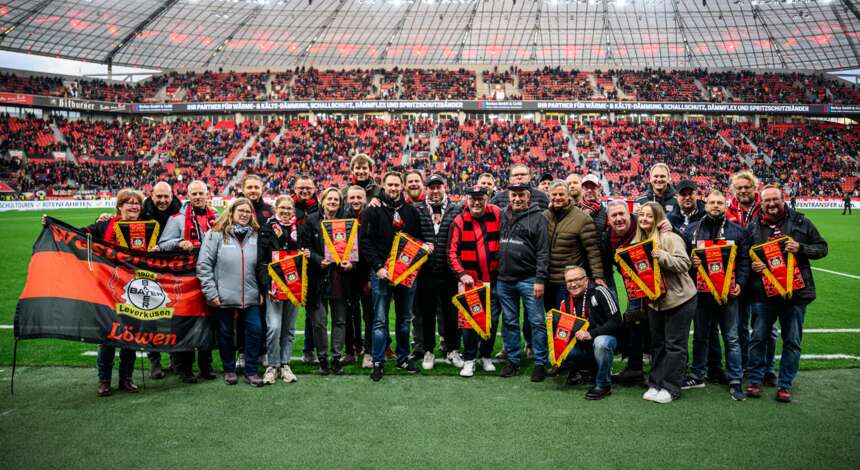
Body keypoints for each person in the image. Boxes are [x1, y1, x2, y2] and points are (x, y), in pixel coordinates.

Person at [49, 189, 148, 397]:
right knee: (107, 335)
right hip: (106, 290)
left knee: (129, 336)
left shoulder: (148, 226)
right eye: (128, 202)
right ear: (119, 206)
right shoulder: (104, 225)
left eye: (137, 203)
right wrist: (52, 225)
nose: (133, 206)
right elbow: (76, 235)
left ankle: (126, 379)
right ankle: (104, 380)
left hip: (134, 290)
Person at [746, 185, 828, 402]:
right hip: (764, 294)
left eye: (775, 199)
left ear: (784, 199)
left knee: (792, 341)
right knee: (758, 338)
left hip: (795, 295)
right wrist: (754, 266)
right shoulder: (753, 226)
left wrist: (801, 248)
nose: (771, 204)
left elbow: (822, 248)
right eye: (767, 200)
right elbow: (746, 256)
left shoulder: (801, 222)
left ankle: (785, 384)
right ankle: (755, 380)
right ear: (761, 203)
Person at [681, 190, 750, 401]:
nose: (716, 206)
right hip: (701, 295)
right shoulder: (691, 231)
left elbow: (744, 261)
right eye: (712, 202)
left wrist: (740, 283)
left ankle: (735, 379)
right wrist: (692, 264)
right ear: (706, 205)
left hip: (728, 295)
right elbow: (682, 261)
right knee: (701, 336)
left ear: (725, 206)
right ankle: (697, 374)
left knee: (731, 337)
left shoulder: (737, 232)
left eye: (720, 202)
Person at [359, 171, 424, 381]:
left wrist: (421, 253)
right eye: (390, 185)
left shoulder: (411, 212)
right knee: (380, 320)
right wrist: (378, 267)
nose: (394, 188)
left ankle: (403, 357)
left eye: (397, 185)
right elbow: (365, 242)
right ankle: (378, 361)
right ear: (383, 186)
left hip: (405, 274)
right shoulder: (373, 210)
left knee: (404, 319)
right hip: (381, 274)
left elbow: (417, 241)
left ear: (402, 186)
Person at [197, 198, 264, 387]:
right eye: (240, 210)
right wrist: (211, 293)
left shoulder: (257, 235)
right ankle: (229, 369)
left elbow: (261, 265)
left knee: (255, 330)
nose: (244, 214)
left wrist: (261, 289)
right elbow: (204, 265)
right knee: (226, 334)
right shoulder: (215, 234)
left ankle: (251, 371)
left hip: (250, 294)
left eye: (248, 211)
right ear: (231, 212)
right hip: (223, 296)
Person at [154, 180, 217, 383]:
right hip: (185, 279)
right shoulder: (177, 219)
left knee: (207, 322)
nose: (198, 197)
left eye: (201, 193)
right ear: (188, 196)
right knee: (185, 323)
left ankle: (206, 366)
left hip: (209, 277)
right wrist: (180, 242)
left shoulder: (216, 218)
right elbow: (163, 244)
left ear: (207, 195)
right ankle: (184, 368)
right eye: (194, 194)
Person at [636, 202, 697, 404]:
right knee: (658, 344)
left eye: (649, 216)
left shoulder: (670, 237)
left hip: (680, 298)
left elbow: (685, 263)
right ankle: (656, 383)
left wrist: (662, 255)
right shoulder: (639, 241)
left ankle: (671, 387)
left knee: (675, 345)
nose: (644, 219)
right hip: (655, 301)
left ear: (658, 218)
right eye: (642, 215)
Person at [726, 171, 776, 385]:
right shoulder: (728, 211)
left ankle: (768, 368)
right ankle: (746, 364)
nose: (743, 191)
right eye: (739, 188)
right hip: (738, 277)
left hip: (763, 276)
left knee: (766, 326)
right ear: (733, 190)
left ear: (755, 188)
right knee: (739, 327)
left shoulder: (765, 208)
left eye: (747, 187)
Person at [497, 183, 550, 382]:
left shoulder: (538, 217)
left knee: (537, 322)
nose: (517, 199)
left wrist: (540, 279)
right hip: (504, 279)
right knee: (509, 322)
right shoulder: (501, 215)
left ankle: (540, 363)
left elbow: (543, 251)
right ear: (509, 196)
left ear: (529, 197)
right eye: (514, 195)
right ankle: (513, 360)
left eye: (521, 195)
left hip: (529, 279)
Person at [448, 186, 502, 377]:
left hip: (494, 280)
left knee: (492, 321)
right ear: (467, 200)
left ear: (487, 198)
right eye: (473, 199)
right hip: (470, 283)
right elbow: (452, 252)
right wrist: (462, 274)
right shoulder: (459, 220)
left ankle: (486, 355)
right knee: (469, 323)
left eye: (481, 198)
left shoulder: (497, 213)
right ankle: (469, 359)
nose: (477, 202)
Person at [412, 174, 463, 370]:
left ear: (445, 188)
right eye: (431, 187)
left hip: (449, 271)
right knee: (427, 313)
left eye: (438, 187)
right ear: (426, 189)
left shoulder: (456, 209)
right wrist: (421, 246)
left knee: (451, 313)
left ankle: (452, 350)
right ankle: (428, 350)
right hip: (425, 271)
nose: (435, 191)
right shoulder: (417, 209)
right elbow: (410, 236)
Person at [303, 187, 353, 375]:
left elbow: (354, 249)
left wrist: (351, 264)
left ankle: (336, 358)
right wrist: (318, 260)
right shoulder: (311, 220)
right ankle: (323, 358)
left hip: (340, 277)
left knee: (340, 320)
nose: (332, 202)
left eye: (336, 200)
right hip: (318, 277)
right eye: (329, 199)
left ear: (340, 203)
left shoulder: (347, 221)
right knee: (319, 322)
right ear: (322, 201)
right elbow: (305, 247)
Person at [257, 195, 306, 385]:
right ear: (275, 209)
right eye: (282, 208)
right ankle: (273, 365)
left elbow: (304, 254)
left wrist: (305, 254)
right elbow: (261, 261)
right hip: (274, 286)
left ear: (293, 210)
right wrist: (267, 285)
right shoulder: (267, 229)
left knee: (289, 328)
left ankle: (285, 364)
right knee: (274, 327)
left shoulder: (299, 229)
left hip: (294, 285)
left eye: (289, 208)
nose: (286, 211)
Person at [558, 266, 621, 400]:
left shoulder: (600, 291)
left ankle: (603, 384)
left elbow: (616, 321)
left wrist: (591, 334)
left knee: (601, 343)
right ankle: (585, 371)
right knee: (561, 349)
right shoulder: (565, 302)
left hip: (607, 338)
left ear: (586, 280)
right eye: (569, 281)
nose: (573, 284)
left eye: (577, 279)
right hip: (583, 343)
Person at [140, 181, 181, 380]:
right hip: (147, 273)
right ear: (151, 195)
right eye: (159, 197)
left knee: (176, 316)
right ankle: (154, 360)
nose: (163, 200)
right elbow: (121, 223)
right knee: (150, 318)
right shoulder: (141, 212)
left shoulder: (181, 211)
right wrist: (104, 217)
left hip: (174, 272)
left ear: (172, 196)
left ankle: (175, 359)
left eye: (166, 196)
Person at [542, 180, 604, 311]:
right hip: (547, 280)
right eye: (554, 194)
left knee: (565, 318)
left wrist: (598, 276)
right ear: (549, 196)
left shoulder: (582, 218)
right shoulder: (544, 216)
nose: (557, 197)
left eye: (561, 194)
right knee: (549, 317)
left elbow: (592, 251)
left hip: (568, 281)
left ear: (568, 195)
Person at [342, 185, 375, 368]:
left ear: (365, 199)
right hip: (348, 273)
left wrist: (371, 277)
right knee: (349, 313)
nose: (355, 201)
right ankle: (352, 350)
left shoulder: (371, 217)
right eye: (352, 197)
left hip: (366, 273)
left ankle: (368, 352)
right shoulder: (343, 218)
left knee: (369, 315)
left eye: (359, 197)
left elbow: (375, 248)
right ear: (347, 199)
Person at [293, 175, 319, 364]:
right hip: (290, 265)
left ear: (314, 189)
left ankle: (309, 349)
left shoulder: (320, 208)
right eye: (301, 188)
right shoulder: (287, 207)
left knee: (312, 311)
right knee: (284, 310)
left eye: (308, 188)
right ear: (295, 189)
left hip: (314, 266)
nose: (304, 191)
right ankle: (276, 351)